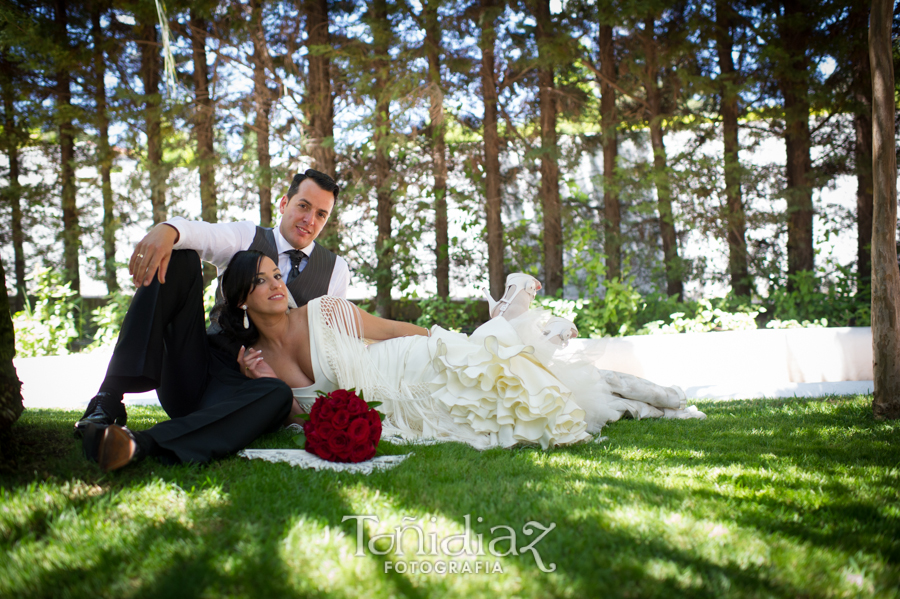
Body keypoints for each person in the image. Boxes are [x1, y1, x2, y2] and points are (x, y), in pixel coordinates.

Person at [90, 251, 704, 470]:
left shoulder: (325, 311)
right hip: (396, 402)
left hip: (415, 363)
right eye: (264, 281)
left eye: (279, 276)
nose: (278, 285)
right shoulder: (247, 358)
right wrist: (275, 380)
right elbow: (302, 411)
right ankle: (632, 405)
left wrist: (451, 342)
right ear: (244, 300)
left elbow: (391, 329)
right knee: (515, 413)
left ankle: (646, 396)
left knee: (505, 375)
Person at [78, 170, 349, 469]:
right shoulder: (248, 236)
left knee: (277, 393)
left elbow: (326, 346)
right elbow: (202, 234)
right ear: (285, 203)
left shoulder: (336, 271)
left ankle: (138, 444)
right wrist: (167, 230)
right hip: (195, 367)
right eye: (303, 206)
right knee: (181, 256)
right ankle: (108, 397)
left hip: (243, 390)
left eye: (321, 214)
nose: (310, 219)